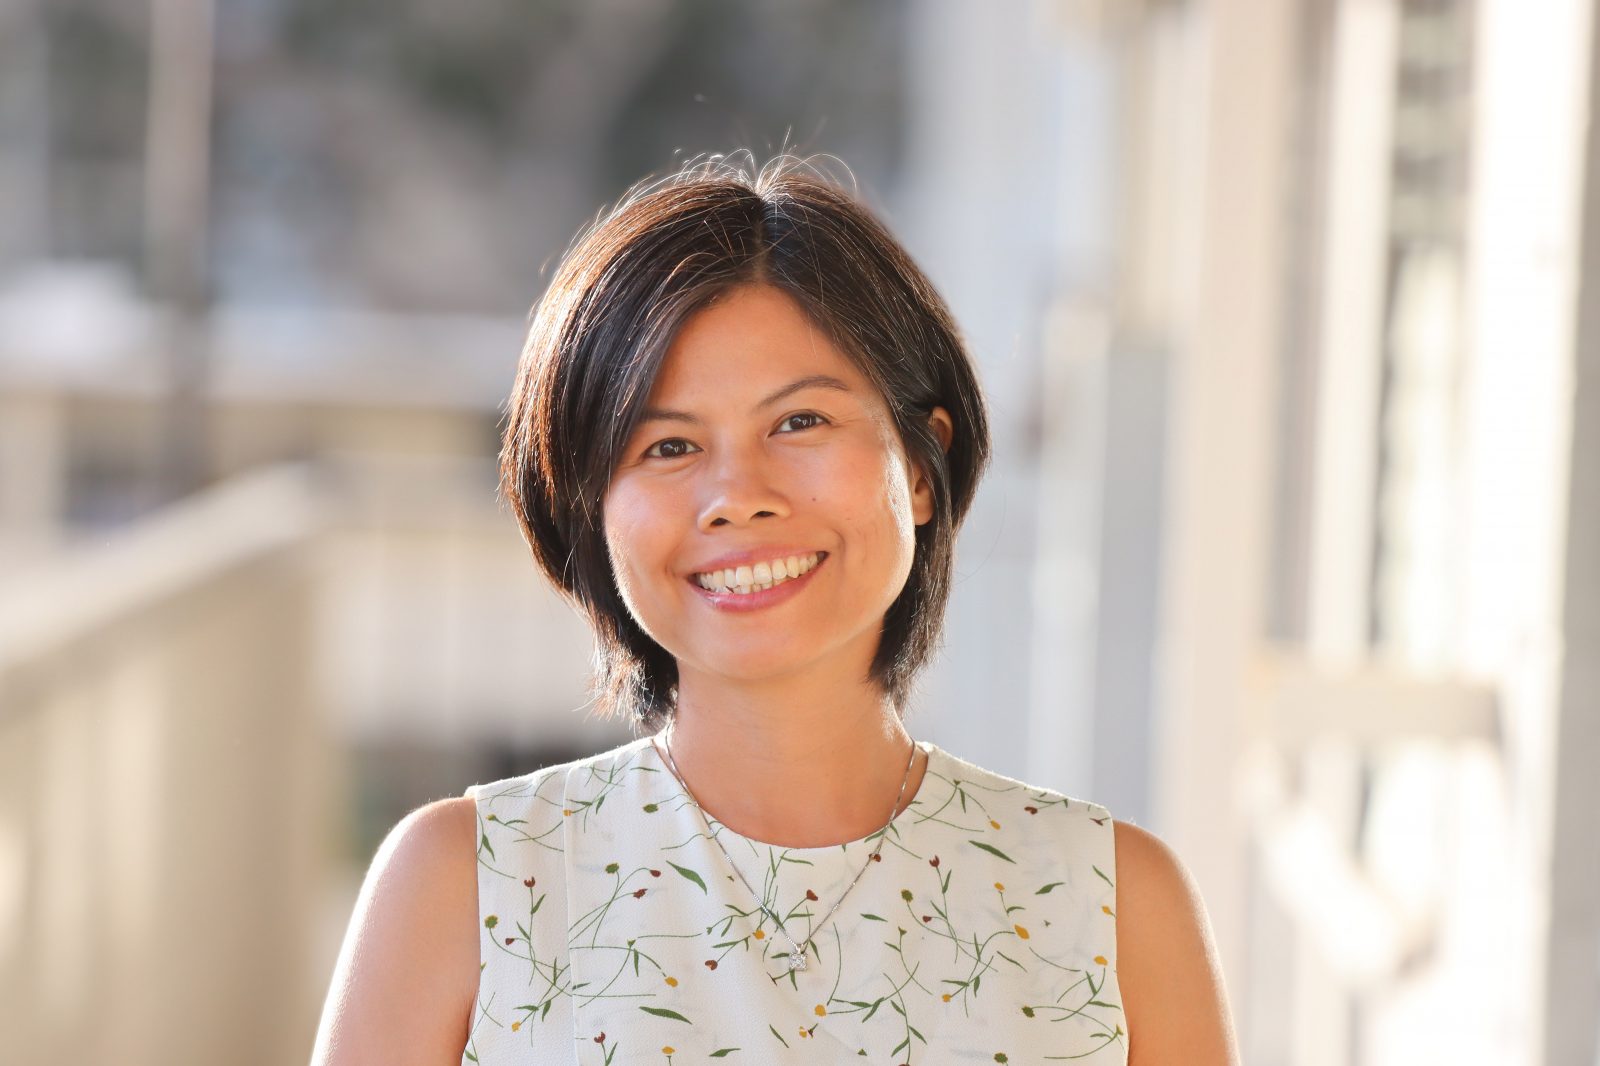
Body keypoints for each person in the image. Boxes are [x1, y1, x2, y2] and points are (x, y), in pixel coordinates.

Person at [310, 153, 1240, 1065]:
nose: (737, 494)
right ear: (592, 510)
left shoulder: (1113, 901)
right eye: (667, 446)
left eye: (800, 423)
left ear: (920, 466)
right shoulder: (465, 886)